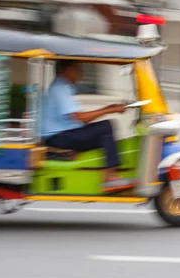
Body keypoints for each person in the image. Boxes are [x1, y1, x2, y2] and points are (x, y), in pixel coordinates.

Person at [40, 60, 134, 192]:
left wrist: (109, 108)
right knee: (106, 127)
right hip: (58, 138)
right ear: (67, 70)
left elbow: (79, 119)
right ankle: (110, 178)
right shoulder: (59, 88)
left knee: (104, 135)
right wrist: (110, 109)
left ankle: (108, 174)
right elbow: (81, 118)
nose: (80, 72)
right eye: (77, 68)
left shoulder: (63, 88)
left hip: (63, 134)